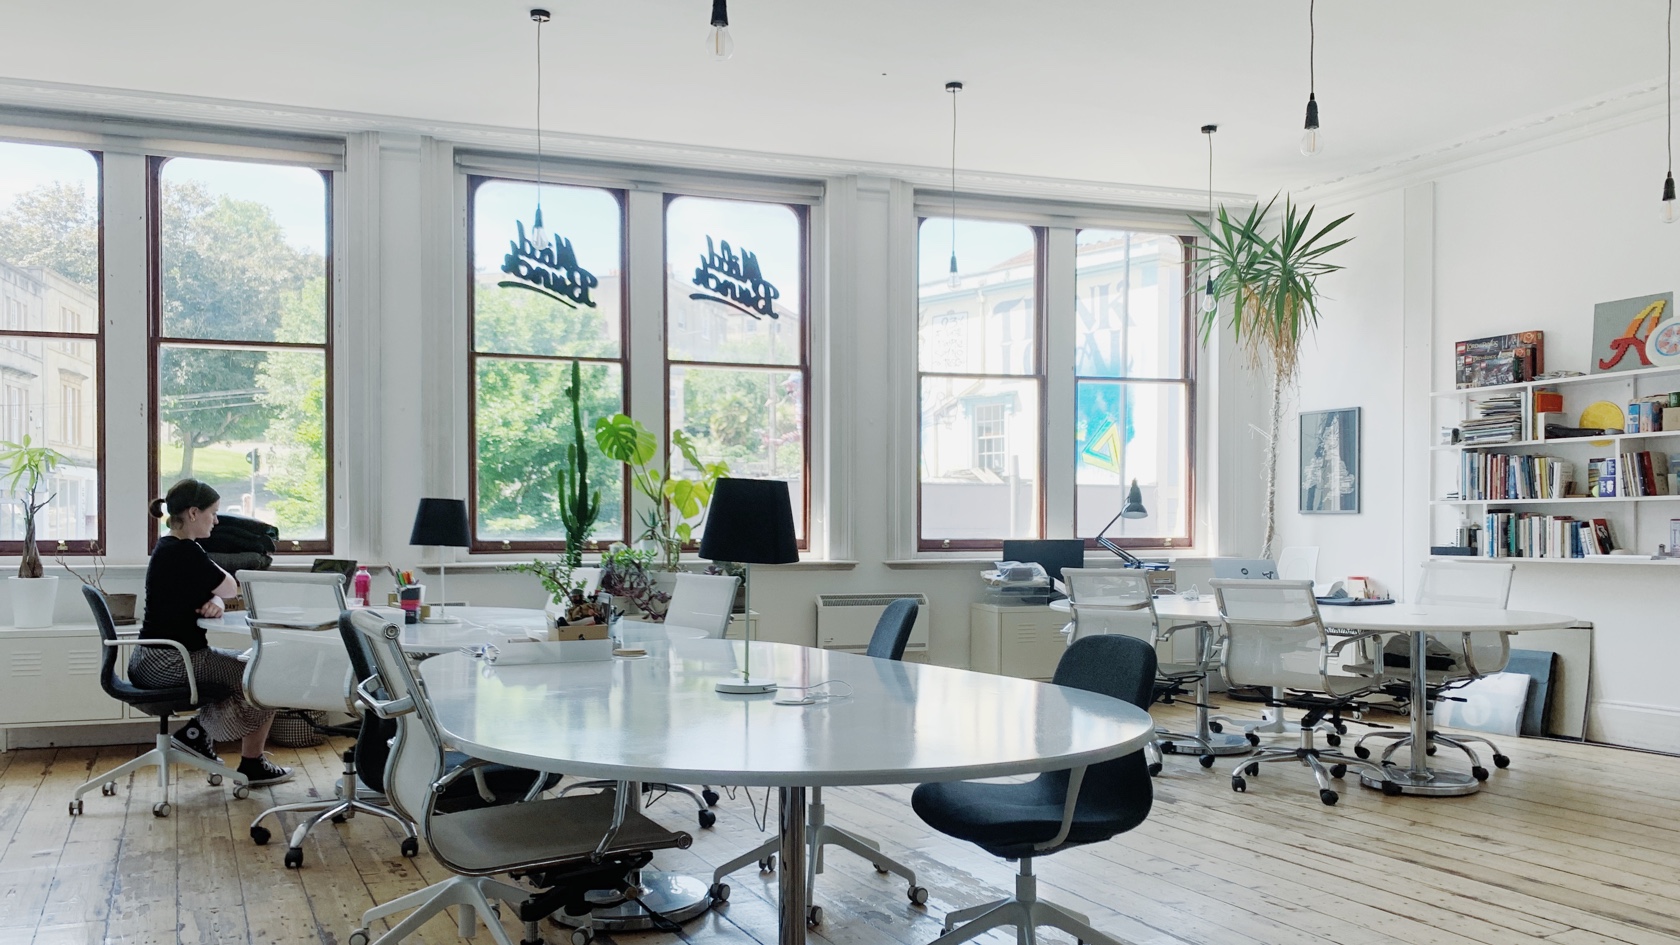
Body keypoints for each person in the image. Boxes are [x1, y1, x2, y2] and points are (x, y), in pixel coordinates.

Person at [130, 479, 292, 786]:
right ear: (193, 513)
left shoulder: (167, 547)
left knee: (249, 662)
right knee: (264, 676)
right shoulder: (186, 551)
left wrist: (215, 599)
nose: (216, 521)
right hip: (174, 662)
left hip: (152, 659)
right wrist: (220, 595)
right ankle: (252, 764)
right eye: (213, 513)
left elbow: (221, 590)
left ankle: (196, 735)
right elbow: (231, 585)